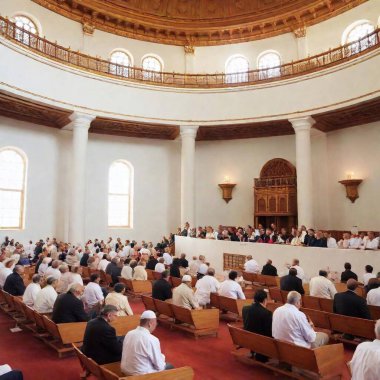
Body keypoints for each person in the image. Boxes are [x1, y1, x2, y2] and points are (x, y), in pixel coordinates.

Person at [121, 310, 173, 375]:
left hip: (125, 370)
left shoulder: (129, 333)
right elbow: (160, 366)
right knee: (169, 366)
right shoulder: (152, 339)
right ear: (150, 323)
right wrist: (162, 357)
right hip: (140, 375)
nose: (156, 325)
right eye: (156, 323)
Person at [242, 289, 272, 362]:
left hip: (247, 337)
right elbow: (268, 331)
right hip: (261, 341)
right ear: (265, 300)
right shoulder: (266, 313)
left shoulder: (245, 308)